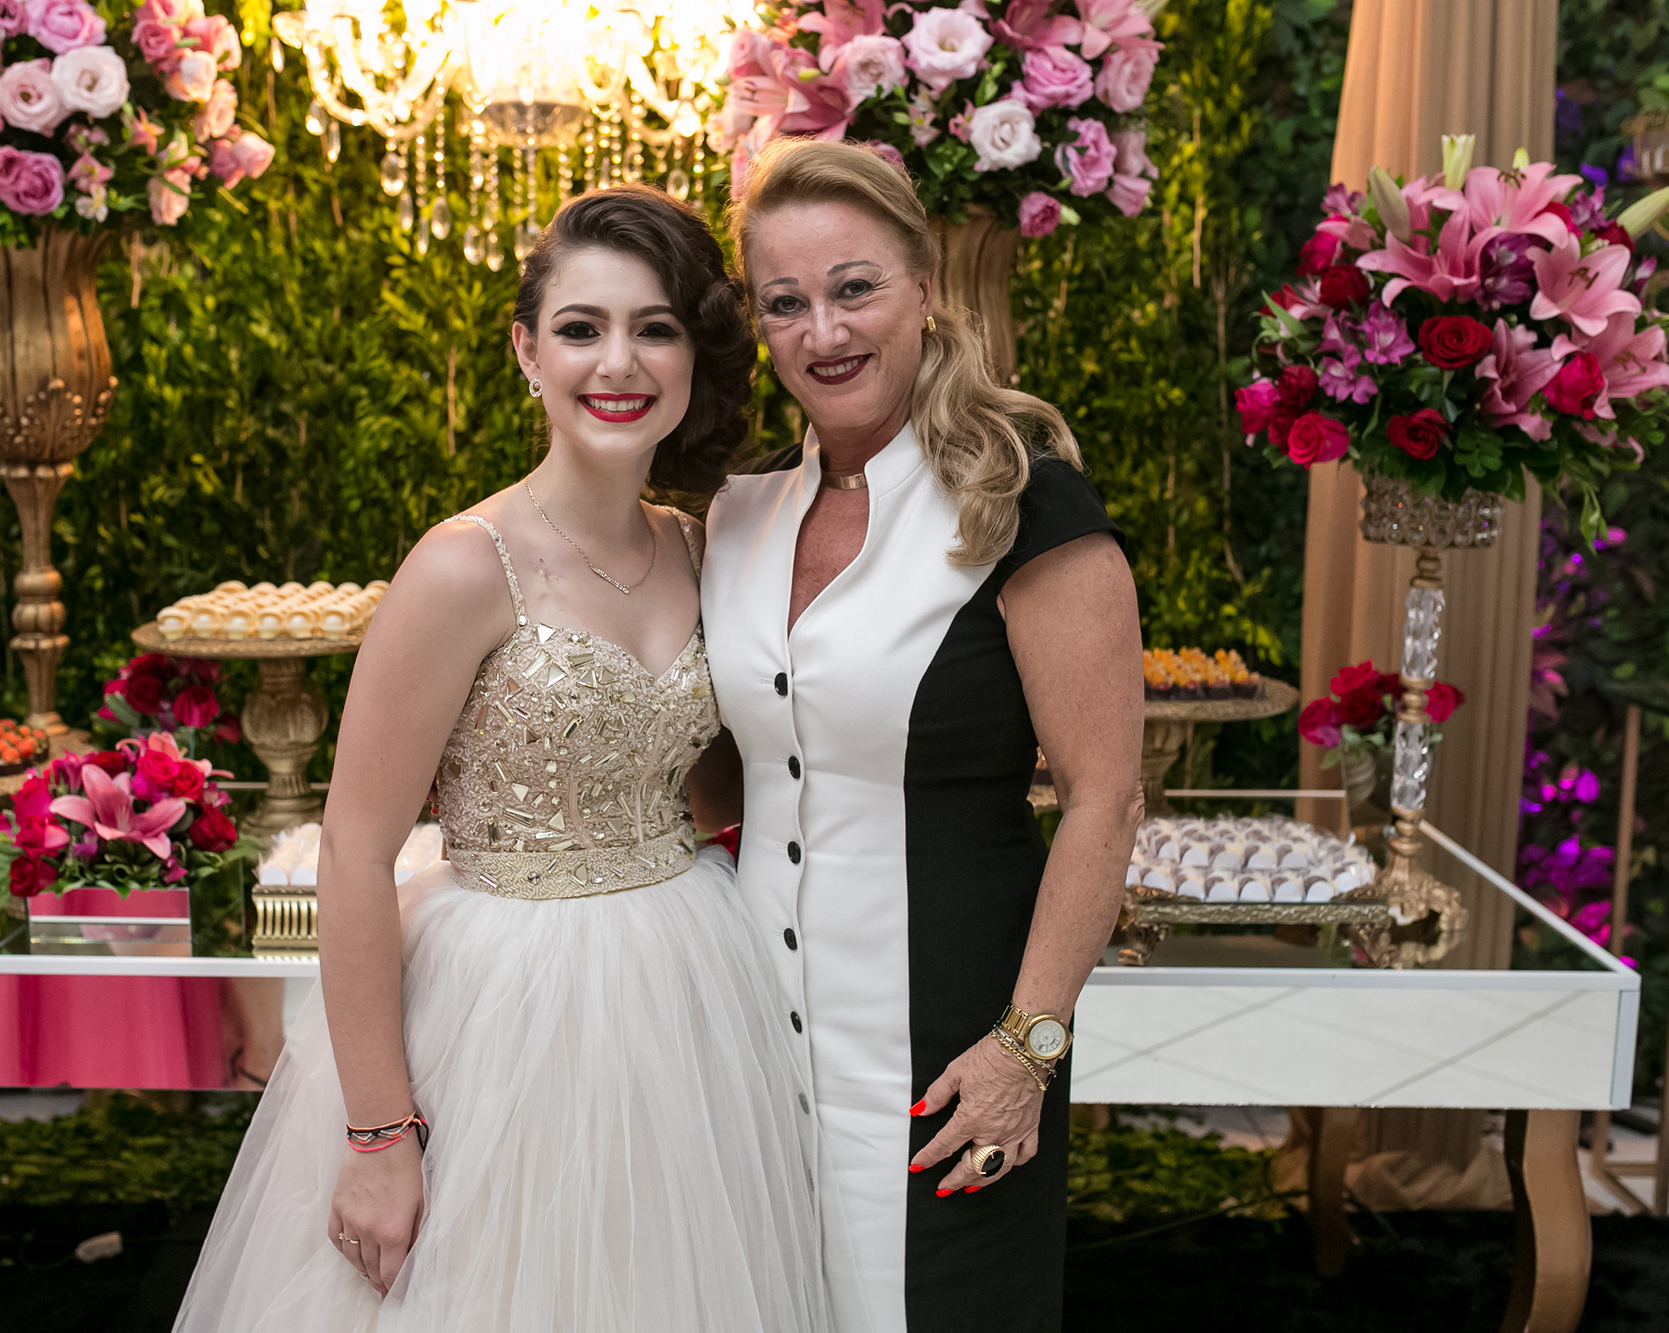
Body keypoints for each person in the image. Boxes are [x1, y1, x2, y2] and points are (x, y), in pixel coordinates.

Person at [174, 187, 830, 1332]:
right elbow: (353, 851)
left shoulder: (702, 546)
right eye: (580, 328)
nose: (616, 362)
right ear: (527, 351)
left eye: (654, 327)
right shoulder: (463, 566)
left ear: (692, 356)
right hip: (505, 997)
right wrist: (377, 1134)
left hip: (688, 978)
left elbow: (729, 773)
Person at [698, 139, 1145, 1331]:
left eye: (854, 288)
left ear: (923, 289)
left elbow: (1104, 800)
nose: (823, 331)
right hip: (749, 1036)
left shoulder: (1025, 502)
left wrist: (1024, 1049)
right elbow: (721, 766)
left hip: (953, 1048)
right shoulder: (736, 512)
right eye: (784, 302)